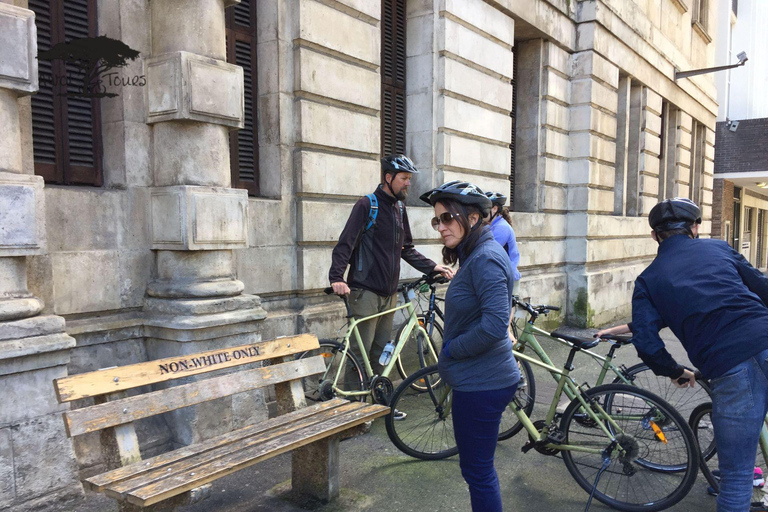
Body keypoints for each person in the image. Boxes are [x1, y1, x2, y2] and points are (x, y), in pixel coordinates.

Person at [628, 197, 768, 512]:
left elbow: (646, 340)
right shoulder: (718, 248)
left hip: (728, 365)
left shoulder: (648, 280)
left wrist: (674, 371)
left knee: (735, 478)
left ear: (655, 236)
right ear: (695, 227)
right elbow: (762, 287)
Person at [328, 155, 453, 419]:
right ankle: (354, 412)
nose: (408, 184)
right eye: (404, 178)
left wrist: (433, 267)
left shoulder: (399, 209)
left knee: (381, 353)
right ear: (388, 178)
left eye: (409, 179)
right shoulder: (367, 205)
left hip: (389, 293)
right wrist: (336, 277)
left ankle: (376, 406)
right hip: (364, 291)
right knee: (360, 354)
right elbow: (345, 244)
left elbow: (407, 249)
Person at [420, 180, 520, 512]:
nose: (441, 227)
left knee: (478, 473)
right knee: (476, 470)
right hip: (478, 379)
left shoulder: (487, 258)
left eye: (448, 218)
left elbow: (494, 325)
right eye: (437, 220)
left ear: (473, 217)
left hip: (484, 382)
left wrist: (451, 350)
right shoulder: (475, 254)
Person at [484, 191, 521, 294]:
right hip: (500, 277)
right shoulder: (490, 226)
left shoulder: (501, 228)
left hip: (508, 280)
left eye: (484, 208)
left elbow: (486, 252)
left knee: (506, 310)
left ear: (494, 209)